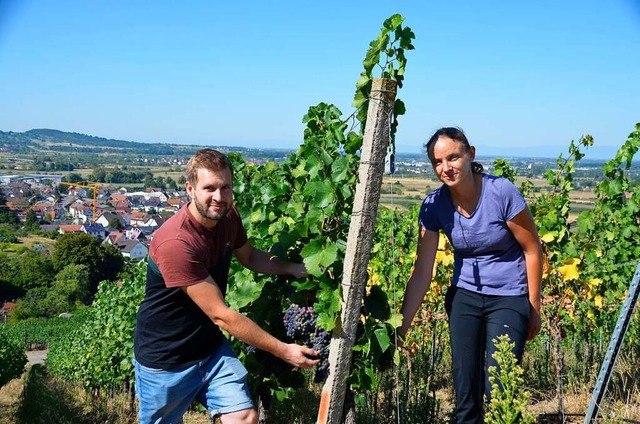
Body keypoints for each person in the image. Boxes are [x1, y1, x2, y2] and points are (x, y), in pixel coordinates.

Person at [133, 148, 319, 424]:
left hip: (210, 351)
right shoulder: (176, 243)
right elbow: (222, 315)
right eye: (209, 188)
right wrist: (283, 350)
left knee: (244, 417)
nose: (219, 197)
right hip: (165, 361)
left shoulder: (228, 218)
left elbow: (250, 256)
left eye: (225, 187)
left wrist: (291, 268)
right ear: (190, 189)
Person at [398, 127, 543, 423]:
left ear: (471, 154)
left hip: (509, 295)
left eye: (453, 157)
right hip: (464, 295)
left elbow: (532, 249)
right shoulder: (433, 206)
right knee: (465, 394)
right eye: (438, 162)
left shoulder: (502, 192)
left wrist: (534, 307)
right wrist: (402, 326)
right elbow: (423, 271)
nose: (446, 167)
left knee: (501, 389)